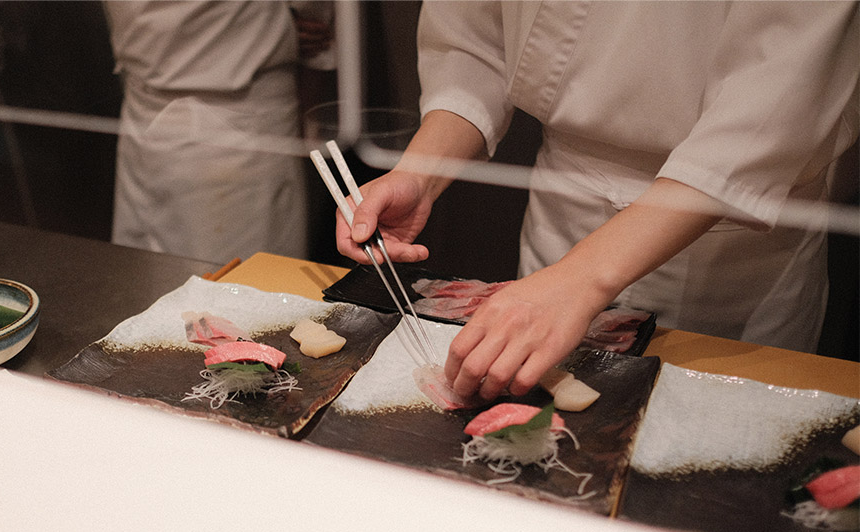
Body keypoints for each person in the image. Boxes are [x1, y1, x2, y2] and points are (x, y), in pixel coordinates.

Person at [336, 1, 859, 402]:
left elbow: (773, 102)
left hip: (727, 247)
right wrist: (421, 175)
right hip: (559, 215)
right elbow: (473, 39)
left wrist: (581, 278)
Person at [104, 1, 333, 262]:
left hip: (238, 115)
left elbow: (316, 28)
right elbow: (316, 23)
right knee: (151, 278)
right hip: (153, 112)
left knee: (236, 285)